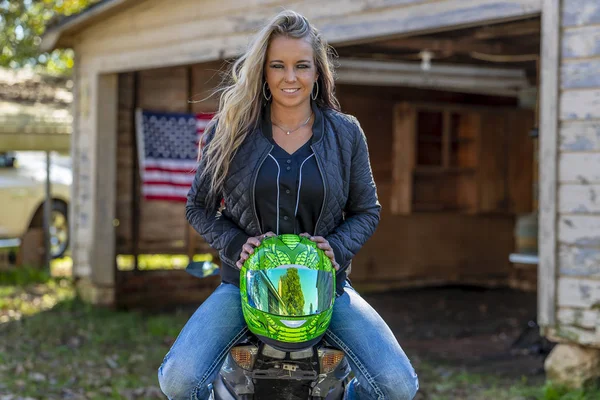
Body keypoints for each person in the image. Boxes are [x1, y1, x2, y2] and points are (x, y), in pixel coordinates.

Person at [158, 10, 419, 400]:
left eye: (301, 66)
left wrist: (339, 247)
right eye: (278, 66)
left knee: (397, 385)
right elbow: (198, 206)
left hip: (327, 288)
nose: (290, 77)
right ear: (263, 72)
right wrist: (233, 245)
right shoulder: (228, 130)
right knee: (178, 379)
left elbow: (368, 210)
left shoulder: (346, 133)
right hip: (243, 285)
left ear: (317, 73)